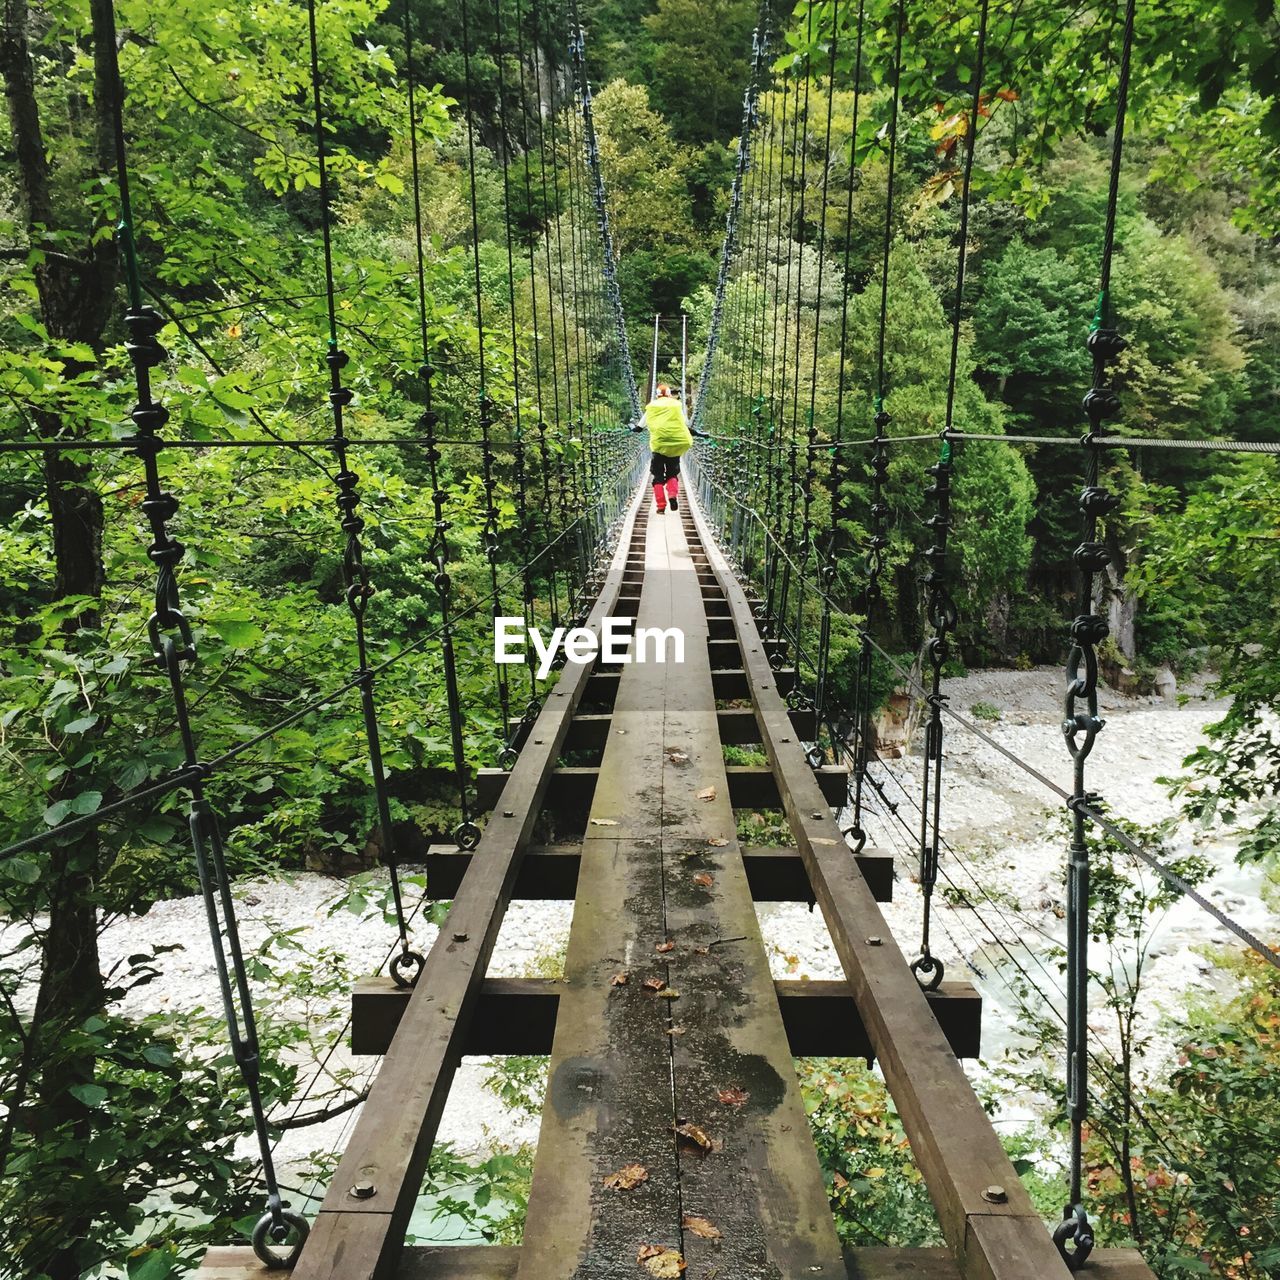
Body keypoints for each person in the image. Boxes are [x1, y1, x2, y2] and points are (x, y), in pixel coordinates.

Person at [631, 382, 706, 514]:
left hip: (659, 447)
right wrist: (698, 433)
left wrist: (631, 428)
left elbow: (639, 428)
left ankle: (661, 506)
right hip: (675, 447)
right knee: (672, 473)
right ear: (670, 395)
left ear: (657, 396)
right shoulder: (676, 406)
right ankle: (672, 495)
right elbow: (685, 427)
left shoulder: (652, 408)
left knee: (657, 476)